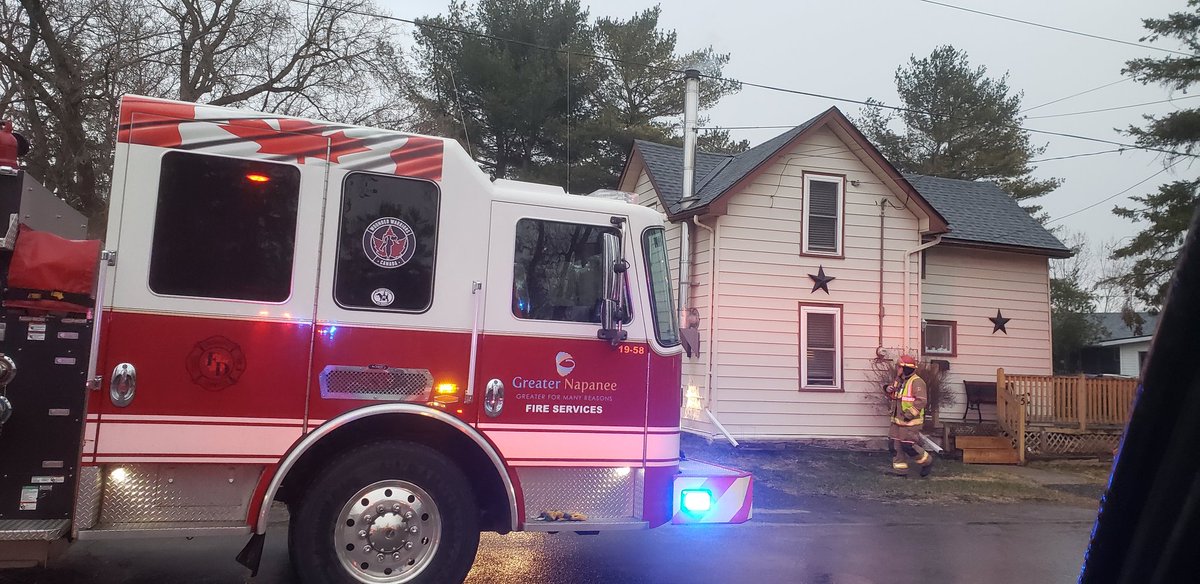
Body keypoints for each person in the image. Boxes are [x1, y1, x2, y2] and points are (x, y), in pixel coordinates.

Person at [884, 355, 934, 477]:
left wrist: (908, 415)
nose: (897, 369)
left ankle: (927, 462)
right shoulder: (899, 380)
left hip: (910, 422)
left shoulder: (917, 382)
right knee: (895, 446)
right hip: (897, 421)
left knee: (908, 446)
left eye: (900, 367)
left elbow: (921, 401)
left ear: (906, 368)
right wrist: (887, 389)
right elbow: (895, 396)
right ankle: (900, 471)